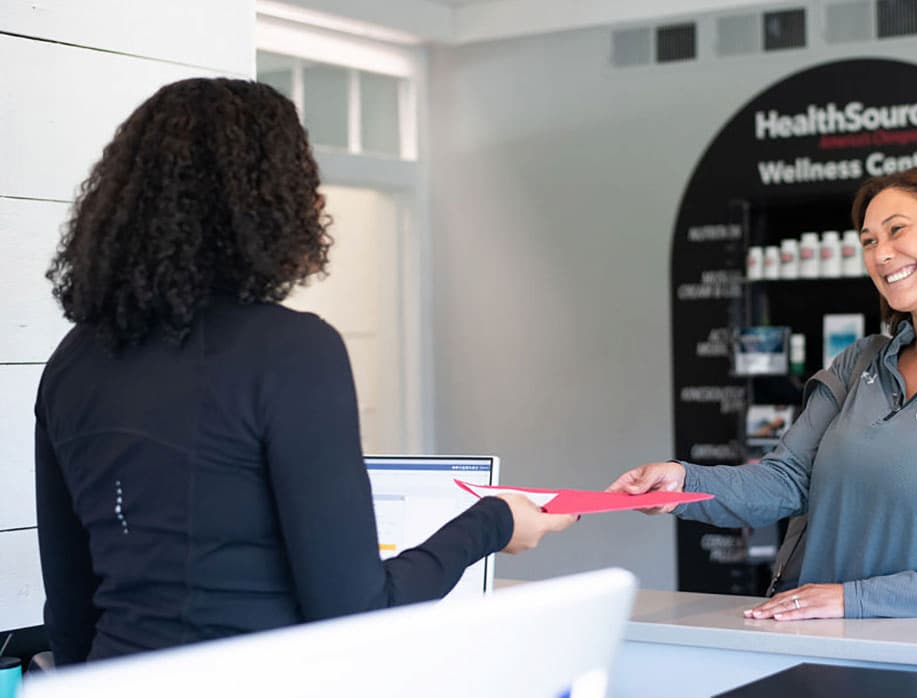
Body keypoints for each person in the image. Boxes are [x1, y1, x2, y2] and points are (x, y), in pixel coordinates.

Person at [35, 77, 575, 665]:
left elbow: (69, 614)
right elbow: (357, 615)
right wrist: (491, 524)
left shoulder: (73, 363)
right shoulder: (292, 351)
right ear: (271, 202)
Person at [608, 167, 917, 620]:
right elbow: (786, 480)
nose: (880, 254)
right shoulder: (860, 363)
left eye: (898, 230)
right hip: (818, 648)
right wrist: (682, 482)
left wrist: (855, 600)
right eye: (870, 241)